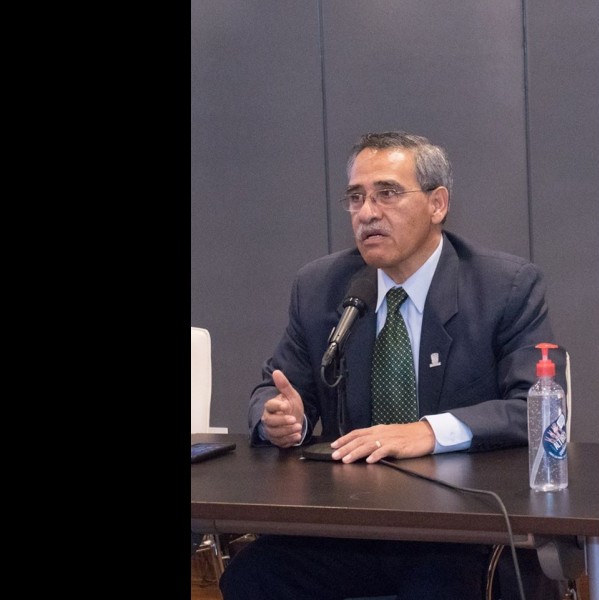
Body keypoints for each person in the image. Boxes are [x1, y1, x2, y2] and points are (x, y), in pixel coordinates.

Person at [219, 131, 566, 600]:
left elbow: (535, 407)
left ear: (437, 204)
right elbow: (273, 388)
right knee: (252, 577)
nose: (367, 213)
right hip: (352, 525)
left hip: (462, 532)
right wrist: (279, 419)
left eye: (387, 193)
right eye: (356, 197)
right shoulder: (321, 286)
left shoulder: (505, 286)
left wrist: (428, 431)